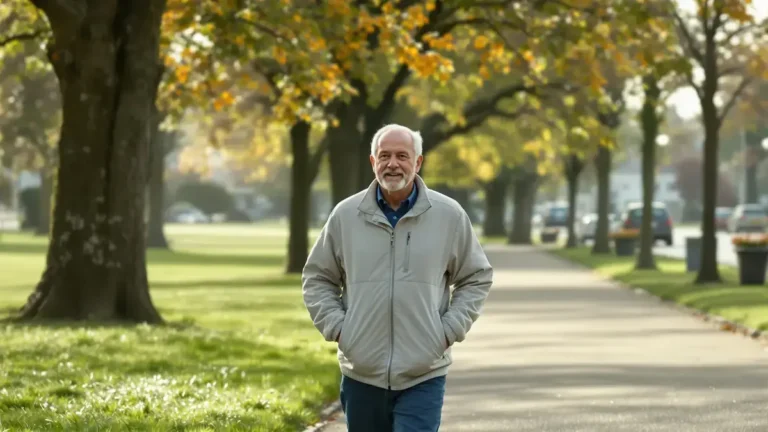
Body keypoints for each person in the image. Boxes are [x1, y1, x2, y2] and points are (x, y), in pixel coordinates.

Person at [302, 124, 493, 431]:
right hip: (361, 372)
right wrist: (340, 329)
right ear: (372, 161)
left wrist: (446, 331)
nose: (393, 163)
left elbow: (476, 277)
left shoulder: (449, 215)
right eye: (385, 155)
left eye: (402, 156)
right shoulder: (345, 215)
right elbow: (317, 277)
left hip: (423, 372)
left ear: (418, 163)